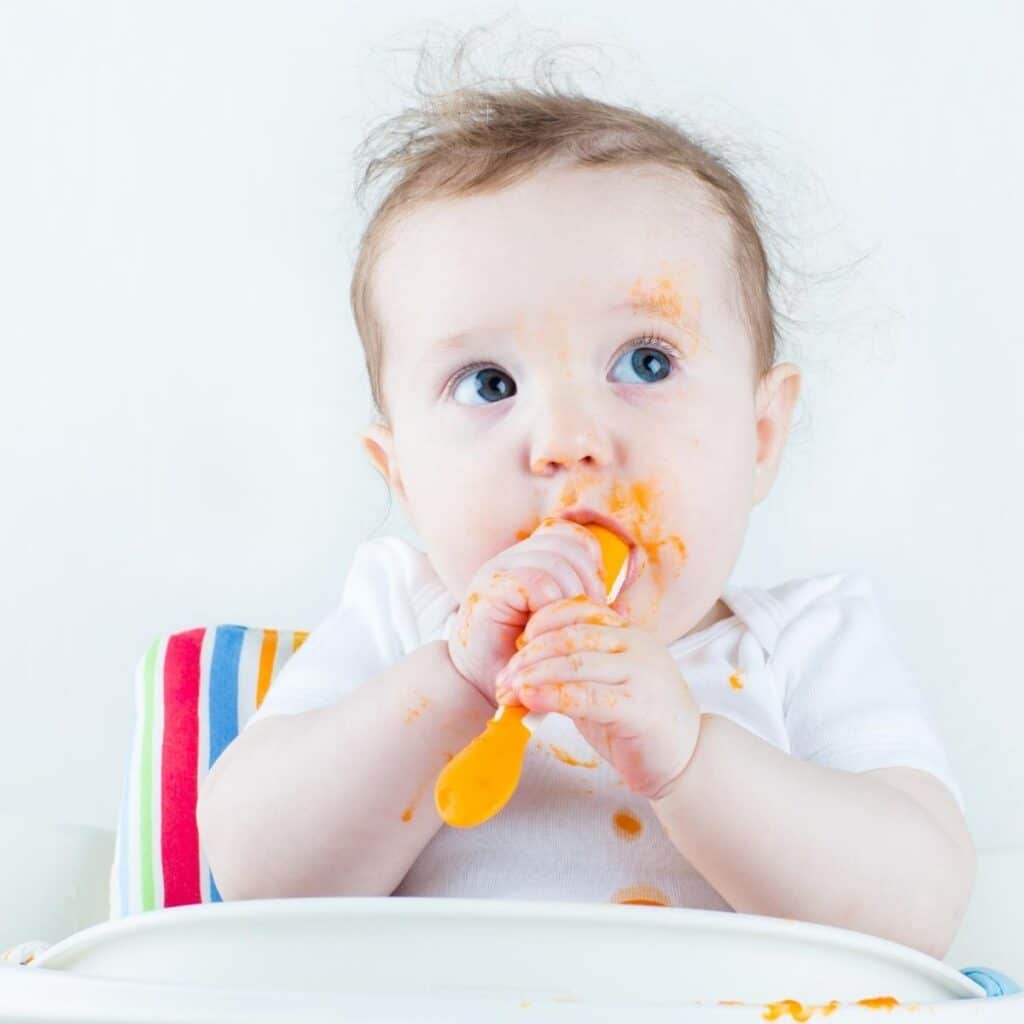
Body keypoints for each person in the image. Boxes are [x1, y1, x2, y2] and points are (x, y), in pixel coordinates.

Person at [197, 53, 975, 960]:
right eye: (489, 383)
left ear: (761, 435)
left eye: (645, 362)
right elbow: (255, 871)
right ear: (400, 475)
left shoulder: (803, 643)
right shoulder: (399, 623)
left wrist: (688, 758)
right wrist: (453, 685)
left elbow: (919, 907)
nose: (567, 439)